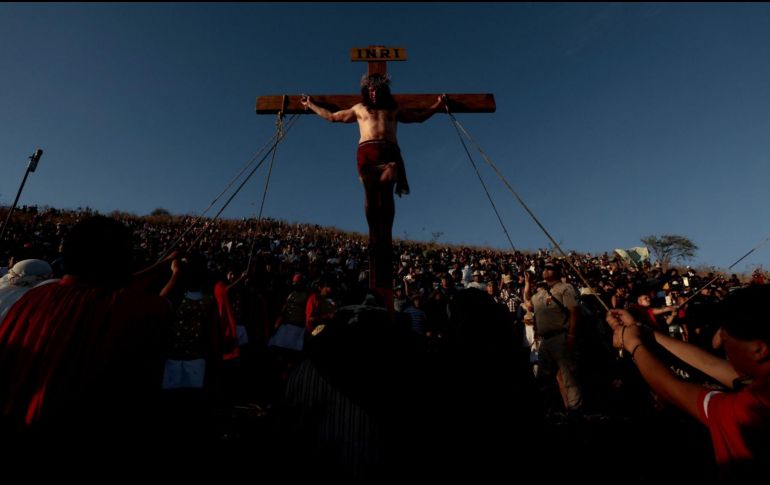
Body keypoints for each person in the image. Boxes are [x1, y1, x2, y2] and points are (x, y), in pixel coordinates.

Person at [0, 216, 176, 458]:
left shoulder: (33, 298)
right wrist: (176, 275)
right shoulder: (127, 309)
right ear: (121, 262)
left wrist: (162, 264)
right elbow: (158, 308)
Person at [300, 75, 445, 299]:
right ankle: (373, 232)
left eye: (377, 90)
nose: (374, 93)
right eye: (371, 90)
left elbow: (418, 117)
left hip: (388, 152)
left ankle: (385, 232)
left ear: (383, 91)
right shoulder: (359, 109)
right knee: (370, 190)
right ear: (366, 92)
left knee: (388, 183)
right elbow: (333, 117)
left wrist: (438, 105)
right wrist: (310, 105)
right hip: (367, 153)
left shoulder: (393, 110)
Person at [606, 285, 770, 481]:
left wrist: (634, 345)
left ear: (760, 350)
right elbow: (710, 365)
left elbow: (672, 389)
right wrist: (643, 331)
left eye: (727, 334)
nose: (718, 342)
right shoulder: (762, 383)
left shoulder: (750, 410)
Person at [523, 260, 584, 415]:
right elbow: (528, 303)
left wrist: (571, 335)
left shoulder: (565, 288)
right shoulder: (541, 294)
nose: (546, 270)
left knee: (568, 378)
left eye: (550, 268)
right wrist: (528, 283)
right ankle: (559, 410)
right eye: (545, 268)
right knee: (548, 378)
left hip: (561, 337)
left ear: (558, 271)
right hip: (545, 340)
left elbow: (574, 312)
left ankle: (575, 412)